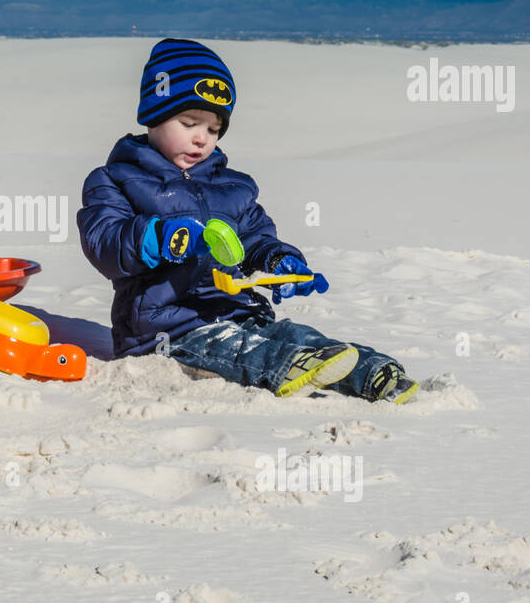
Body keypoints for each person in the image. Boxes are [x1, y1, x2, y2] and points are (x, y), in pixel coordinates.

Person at [76, 38, 419, 403]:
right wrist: (160, 237)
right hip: (166, 330)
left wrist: (278, 261)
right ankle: (289, 366)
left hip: (238, 312)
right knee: (235, 348)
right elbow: (104, 243)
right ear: (153, 115)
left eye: (213, 129)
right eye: (188, 122)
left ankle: (370, 372)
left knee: (293, 334)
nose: (200, 139)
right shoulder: (115, 179)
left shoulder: (232, 186)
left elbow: (254, 237)